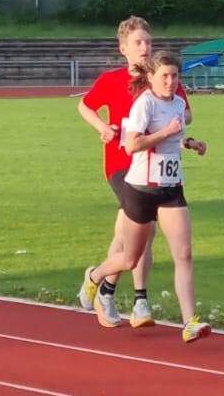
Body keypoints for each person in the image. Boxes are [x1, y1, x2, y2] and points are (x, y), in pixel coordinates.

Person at [79, 51, 211, 342]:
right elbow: (131, 145)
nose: (170, 81)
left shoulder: (178, 104)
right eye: (164, 76)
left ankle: (190, 322)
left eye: (175, 76)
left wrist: (191, 143)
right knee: (130, 258)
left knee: (184, 254)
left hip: (171, 187)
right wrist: (166, 132)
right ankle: (95, 275)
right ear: (151, 77)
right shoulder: (145, 103)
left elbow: (174, 137)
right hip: (141, 189)